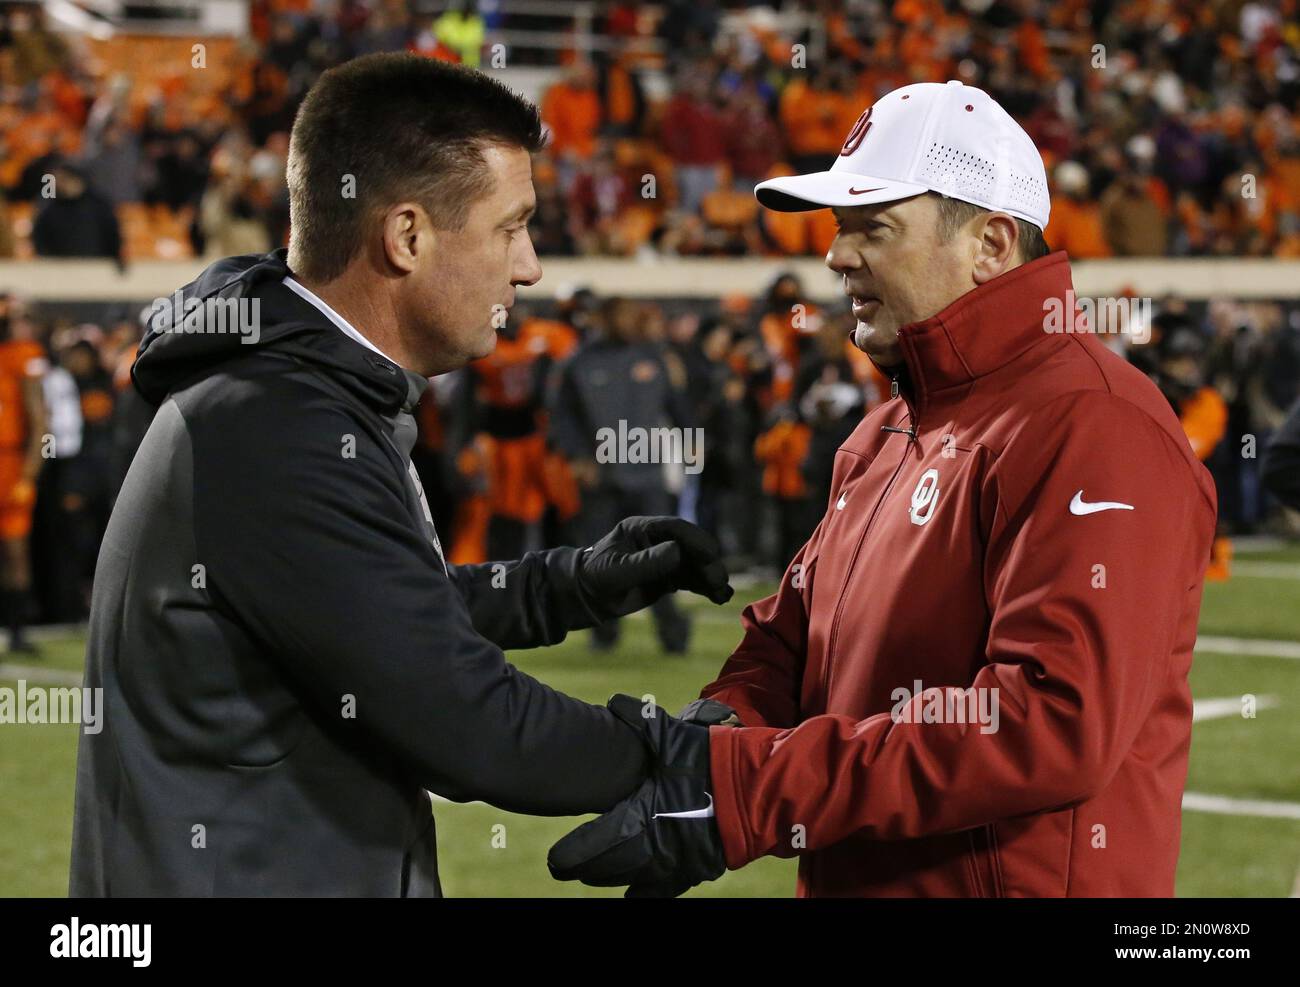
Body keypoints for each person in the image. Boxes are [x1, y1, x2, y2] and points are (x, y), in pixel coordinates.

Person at [70, 53, 732, 898]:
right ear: (407, 235)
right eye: (511, 226)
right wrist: (683, 759)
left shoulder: (294, 389)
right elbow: (458, 712)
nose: (529, 266)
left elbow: (366, 608)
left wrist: (567, 586)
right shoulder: (277, 421)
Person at [549, 80, 1218, 898]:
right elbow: (789, 647)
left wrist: (749, 791)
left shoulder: (1095, 427)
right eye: (838, 227)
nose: (835, 255)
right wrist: (705, 738)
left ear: (992, 242)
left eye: (875, 226)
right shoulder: (884, 431)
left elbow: (1049, 724)